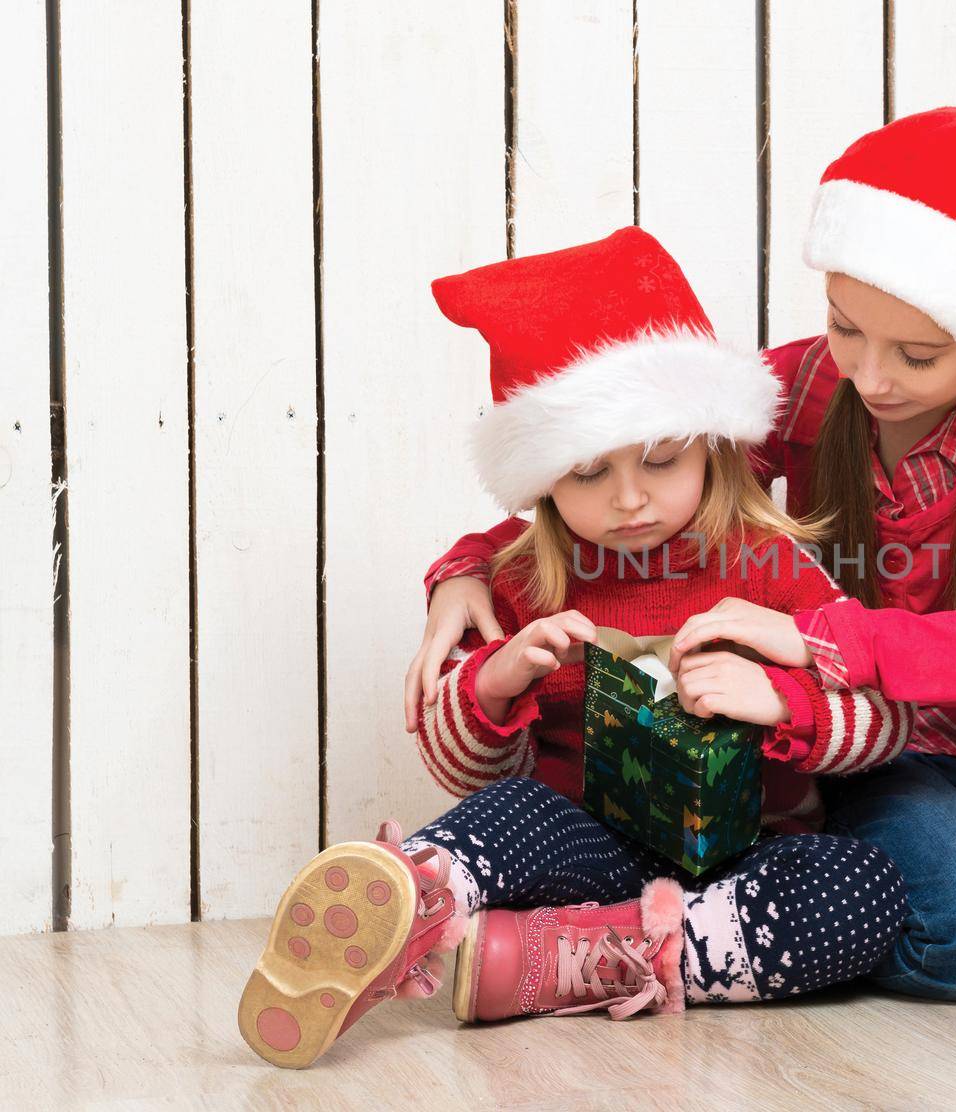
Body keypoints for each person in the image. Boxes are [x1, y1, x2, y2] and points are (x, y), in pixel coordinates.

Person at [411, 108, 956, 1007]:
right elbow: (640, 484)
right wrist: (473, 565)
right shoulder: (802, 386)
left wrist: (822, 645)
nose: (871, 375)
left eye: (917, 352)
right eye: (844, 328)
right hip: (882, 746)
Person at [240, 227, 911, 1070]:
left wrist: (787, 701)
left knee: (865, 889)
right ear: (544, 479)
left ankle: (575, 961)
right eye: (588, 474)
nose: (630, 498)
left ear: (711, 443)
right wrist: (498, 680)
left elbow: (890, 718)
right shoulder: (522, 581)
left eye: (662, 460)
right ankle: (411, 900)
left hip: (749, 863)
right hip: (590, 849)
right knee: (512, 814)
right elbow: (464, 771)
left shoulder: (771, 565)